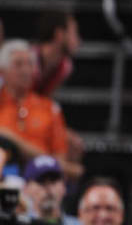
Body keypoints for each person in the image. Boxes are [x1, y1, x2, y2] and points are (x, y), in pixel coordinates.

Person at [0, 41, 80, 178]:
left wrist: (12, 139)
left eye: (30, 64)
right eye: (18, 64)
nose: (25, 70)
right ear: (2, 70)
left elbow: (58, 163)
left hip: (39, 182)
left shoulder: (49, 108)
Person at [20, 155, 85, 225]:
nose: (48, 187)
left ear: (64, 186)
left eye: (53, 180)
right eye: (41, 181)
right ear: (25, 188)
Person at [32, 11, 81, 97]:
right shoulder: (28, 58)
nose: (79, 40)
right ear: (59, 34)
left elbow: (44, 98)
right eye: (74, 33)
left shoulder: (65, 66)